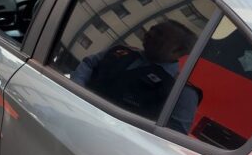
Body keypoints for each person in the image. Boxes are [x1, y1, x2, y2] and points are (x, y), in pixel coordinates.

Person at [71, 20, 200, 134]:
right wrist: (76, 90)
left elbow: (171, 137)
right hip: (72, 113)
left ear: (178, 50)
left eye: (160, 35)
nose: (150, 34)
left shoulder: (181, 91)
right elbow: (89, 64)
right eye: (153, 29)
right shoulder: (120, 51)